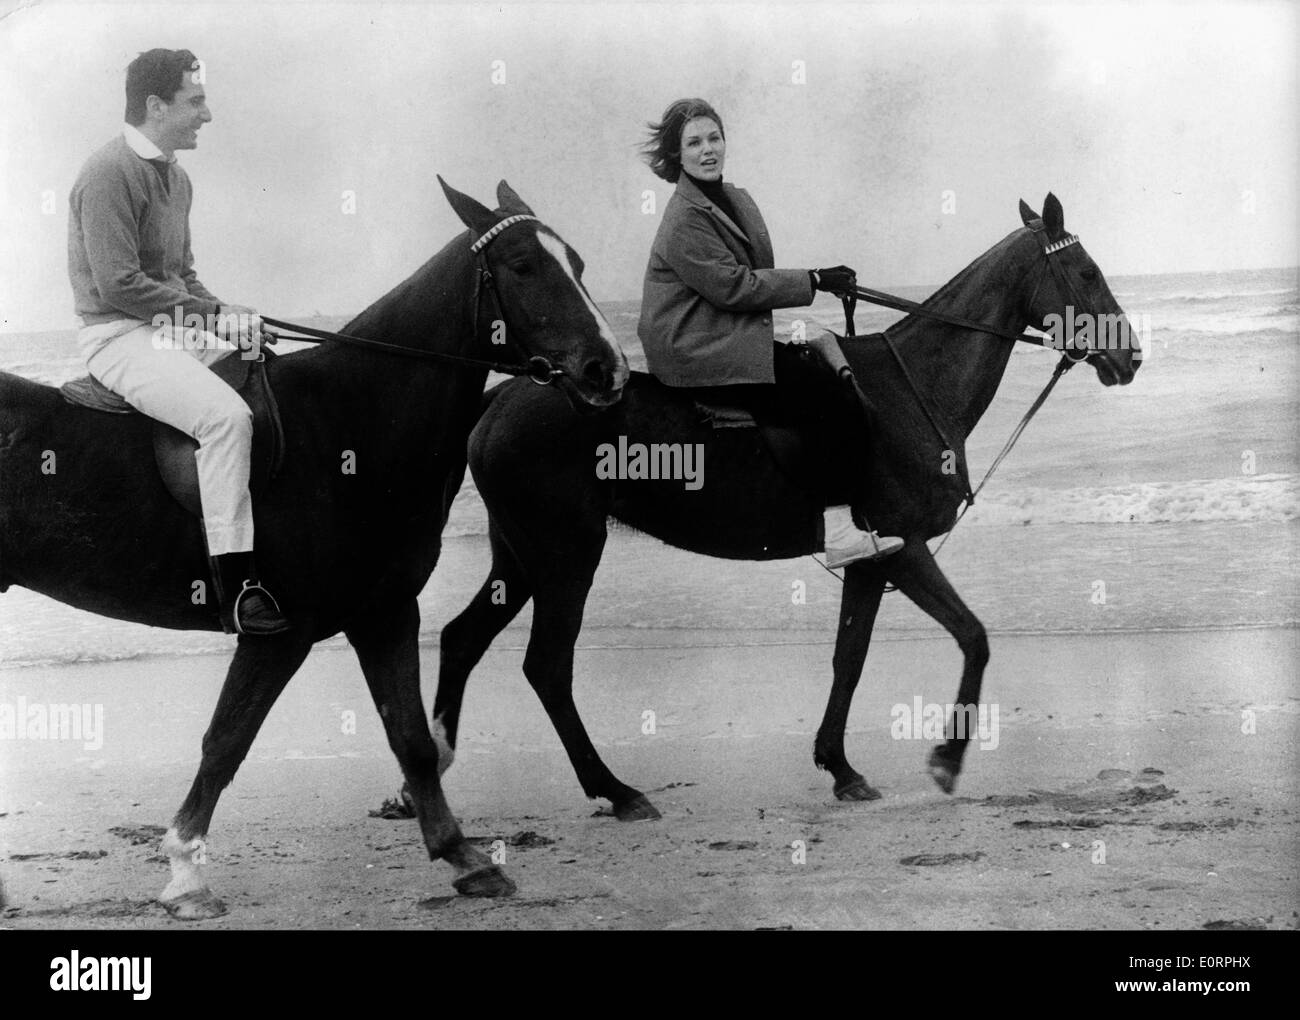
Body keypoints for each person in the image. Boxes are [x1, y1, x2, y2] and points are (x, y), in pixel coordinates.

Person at [68, 48, 289, 634]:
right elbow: (119, 285)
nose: (206, 116)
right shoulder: (107, 171)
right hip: (118, 335)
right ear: (155, 105)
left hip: (166, 328)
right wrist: (212, 314)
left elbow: (181, 277)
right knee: (226, 420)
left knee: (270, 370)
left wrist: (230, 319)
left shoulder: (178, 177)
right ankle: (237, 590)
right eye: (196, 102)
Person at [637, 98, 903, 567]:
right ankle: (838, 530)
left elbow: (756, 275)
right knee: (827, 396)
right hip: (696, 347)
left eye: (714, 138)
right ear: (677, 155)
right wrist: (814, 280)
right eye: (694, 143)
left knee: (816, 363)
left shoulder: (735, 198)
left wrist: (813, 283)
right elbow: (734, 288)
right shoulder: (682, 218)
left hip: (726, 332)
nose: (707, 150)